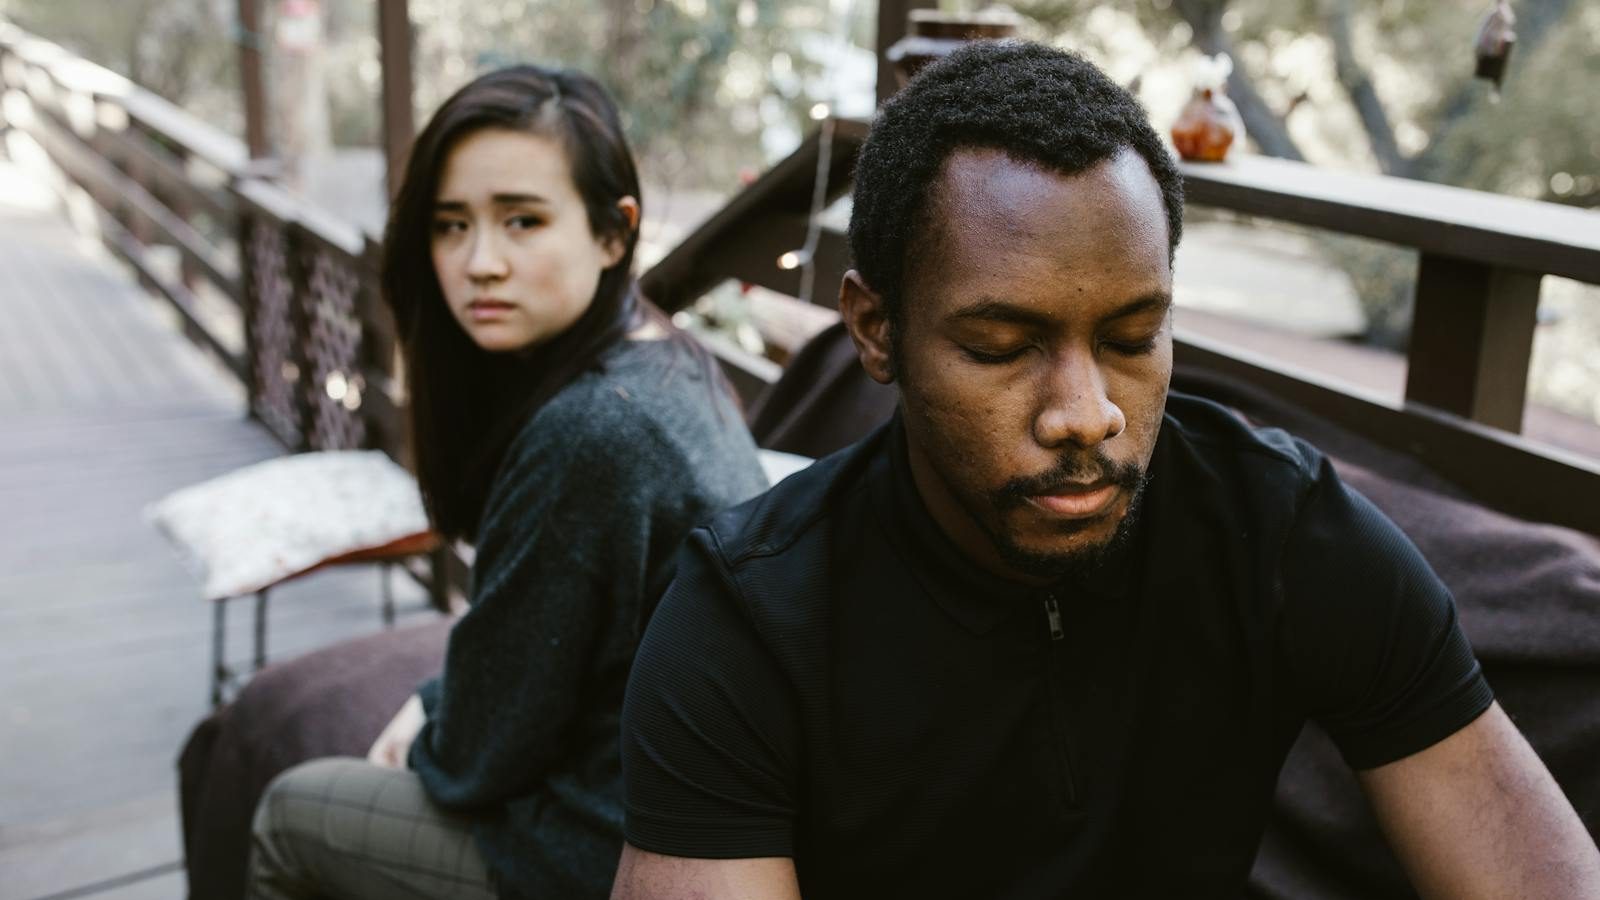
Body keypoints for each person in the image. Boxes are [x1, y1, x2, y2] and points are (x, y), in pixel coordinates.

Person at [612, 41, 1600, 899]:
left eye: (1133, 336)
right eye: (1000, 346)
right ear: (876, 330)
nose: (1086, 414)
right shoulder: (744, 622)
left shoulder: (1282, 530)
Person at [246, 65, 767, 900]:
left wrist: (429, 719)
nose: (479, 262)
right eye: (452, 226)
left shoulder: (591, 434)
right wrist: (439, 704)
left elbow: (478, 758)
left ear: (613, 232)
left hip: (621, 843)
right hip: (679, 790)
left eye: (522, 220)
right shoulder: (664, 359)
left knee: (289, 812)